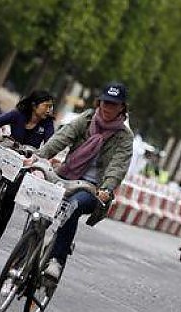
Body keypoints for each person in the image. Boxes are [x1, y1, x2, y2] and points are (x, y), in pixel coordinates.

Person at [32, 82, 133, 280]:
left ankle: (56, 261)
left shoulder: (124, 138)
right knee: (40, 204)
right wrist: (39, 157)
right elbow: (62, 137)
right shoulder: (87, 119)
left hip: (93, 189)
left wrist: (106, 188)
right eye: (105, 102)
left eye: (113, 104)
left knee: (73, 206)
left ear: (122, 107)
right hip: (66, 176)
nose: (107, 108)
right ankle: (29, 244)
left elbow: (117, 167)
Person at [0, 90, 55, 251]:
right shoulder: (18, 115)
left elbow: (51, 144)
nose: (49, 110)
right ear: (34, 105)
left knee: (10, 197)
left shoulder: (47, 124)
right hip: (9, 153)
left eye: (51, 107)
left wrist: (42, 158)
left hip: (26, 160)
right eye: (46, 106)